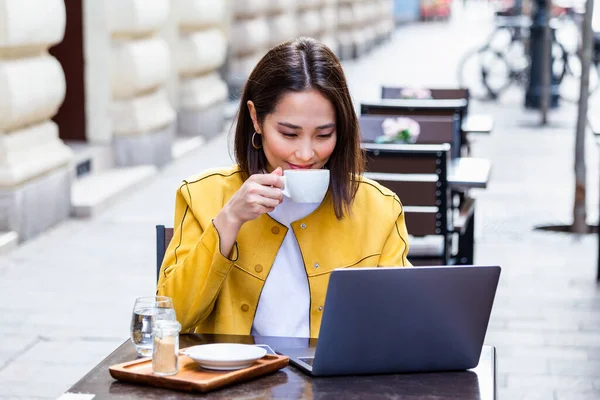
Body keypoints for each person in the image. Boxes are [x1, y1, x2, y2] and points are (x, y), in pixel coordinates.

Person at [157, 37, 411, 339]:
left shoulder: (379, 208)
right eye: (289, 134)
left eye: (323, 135)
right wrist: (229, 220)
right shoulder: (203, 195)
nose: (305, 154)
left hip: (337, 385)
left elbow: (400, 326)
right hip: (235, 382)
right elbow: (171, 319)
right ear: (256, 118)